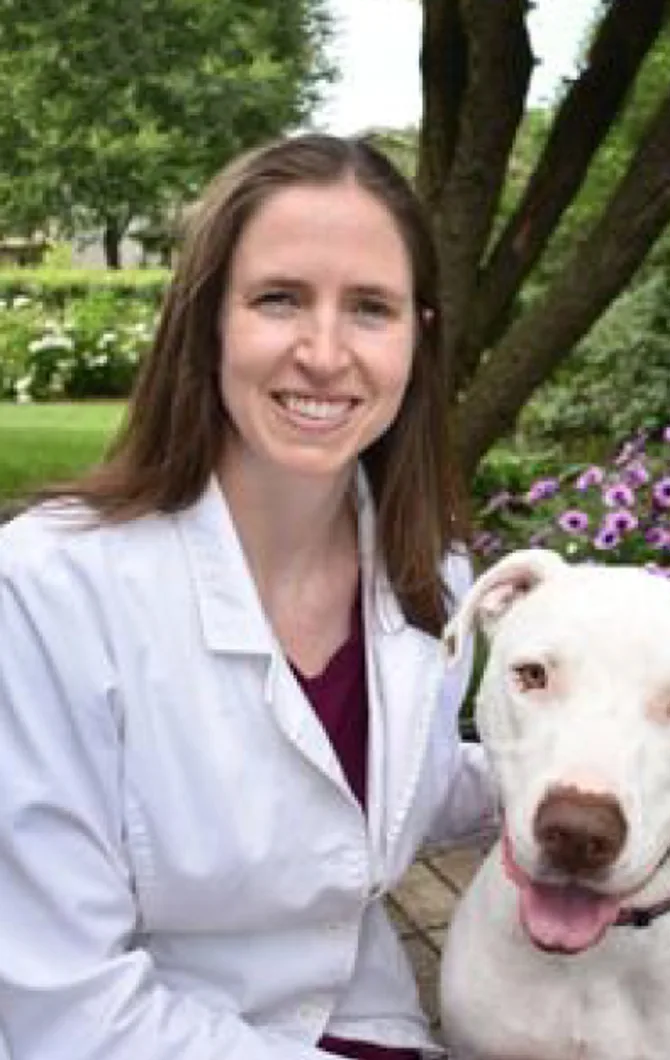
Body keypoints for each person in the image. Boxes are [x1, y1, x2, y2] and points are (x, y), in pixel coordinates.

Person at [0, 134, 498, 1060]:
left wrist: (603, 772)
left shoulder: (435, 581)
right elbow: (60, 1006)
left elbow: (391, 791)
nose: (323, 352)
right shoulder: (46, 590)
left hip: (359, 1020)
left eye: (371, 308)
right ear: (208, 323)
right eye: (279, 299)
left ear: (417, 339)